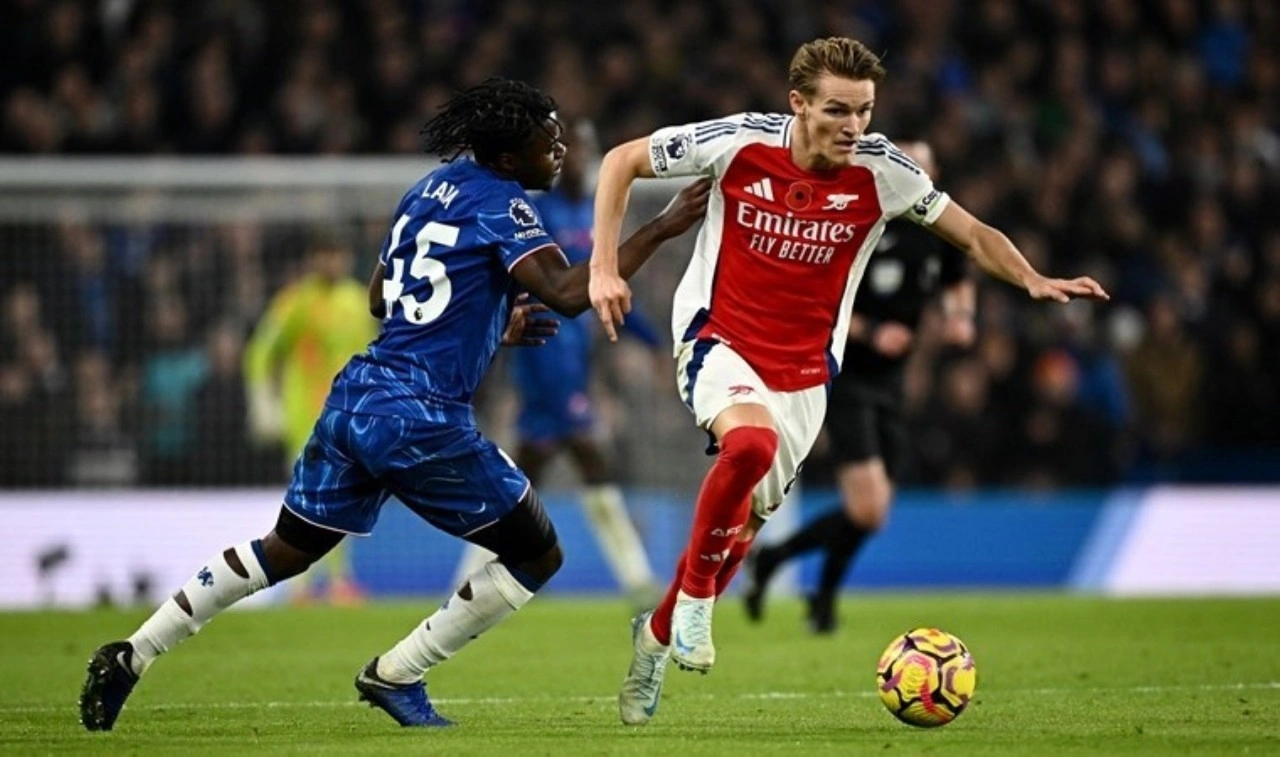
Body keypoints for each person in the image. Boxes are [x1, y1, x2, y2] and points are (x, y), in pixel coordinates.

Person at [78, 77, 711, 732]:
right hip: (420, 413)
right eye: (546, 141)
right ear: (506, 156)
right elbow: (572, 292)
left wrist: (491, 321)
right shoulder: (503, 202)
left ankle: (133, 652)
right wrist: (662, 227)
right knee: (537, 554)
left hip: (357, 396)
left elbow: (383, 297)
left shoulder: (424, 191)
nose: (559, 151)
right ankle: (398, 672)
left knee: (286, 548)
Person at [587, 37, 1109, 725]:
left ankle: (653, 639)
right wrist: (603, 267)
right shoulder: (740, 141)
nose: (853, 125)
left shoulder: (884, 171)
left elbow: (974, 234)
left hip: (805, 372)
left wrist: (1032, 278)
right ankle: (694, 604)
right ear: (798, 104)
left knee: (742, 529)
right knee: (749, 446)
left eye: (864, 110)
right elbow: (621, 161)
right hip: (719, 338)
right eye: (837, 110)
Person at [740, 142, 976, 634]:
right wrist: (871, 332)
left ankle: (785, 569)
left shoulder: (937, 231)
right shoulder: (863, 223)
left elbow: (958, 279)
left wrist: (959, 315)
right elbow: (818, 301)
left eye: (922, 166)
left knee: (872, 513)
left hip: (893, 384)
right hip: (847, 377)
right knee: (867, 508)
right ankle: (812, 595)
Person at [455, 120, 663, 608]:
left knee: (525, 479)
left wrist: (651, 342)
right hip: (543, 354)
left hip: (574, 360)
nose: (576, 158)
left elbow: (606, 285)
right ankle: (637, 582)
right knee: (591, 462)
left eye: (586, 150)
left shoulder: (592, 214)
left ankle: (466, 580)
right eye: (569, 149)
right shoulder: (537, 212)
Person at [243, 235, 375, 605]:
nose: (332, 263)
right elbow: (261, 350)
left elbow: (368, 354)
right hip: (304, 416)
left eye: (337, 255)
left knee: (344, 495)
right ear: (313, 259)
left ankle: (332, 581)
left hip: (348, 414)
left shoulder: (357, 300)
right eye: (325, 255)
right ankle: (309, 583)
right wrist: (262, 397)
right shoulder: (295, 301)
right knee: (311, 497)